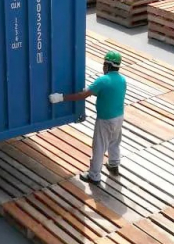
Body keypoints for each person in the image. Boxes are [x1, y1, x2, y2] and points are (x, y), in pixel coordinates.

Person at [50, 50, 126, 186]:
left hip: (105, 119)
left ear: (107, 65)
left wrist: (61, 97)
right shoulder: (122, 80)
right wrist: (93, 90)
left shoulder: (103, 80)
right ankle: (114, 165)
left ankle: (94, 176)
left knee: (99, 146)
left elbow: (83, 95)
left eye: (104, 64)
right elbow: (109, 93)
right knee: (114, 141)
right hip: (119, 117)